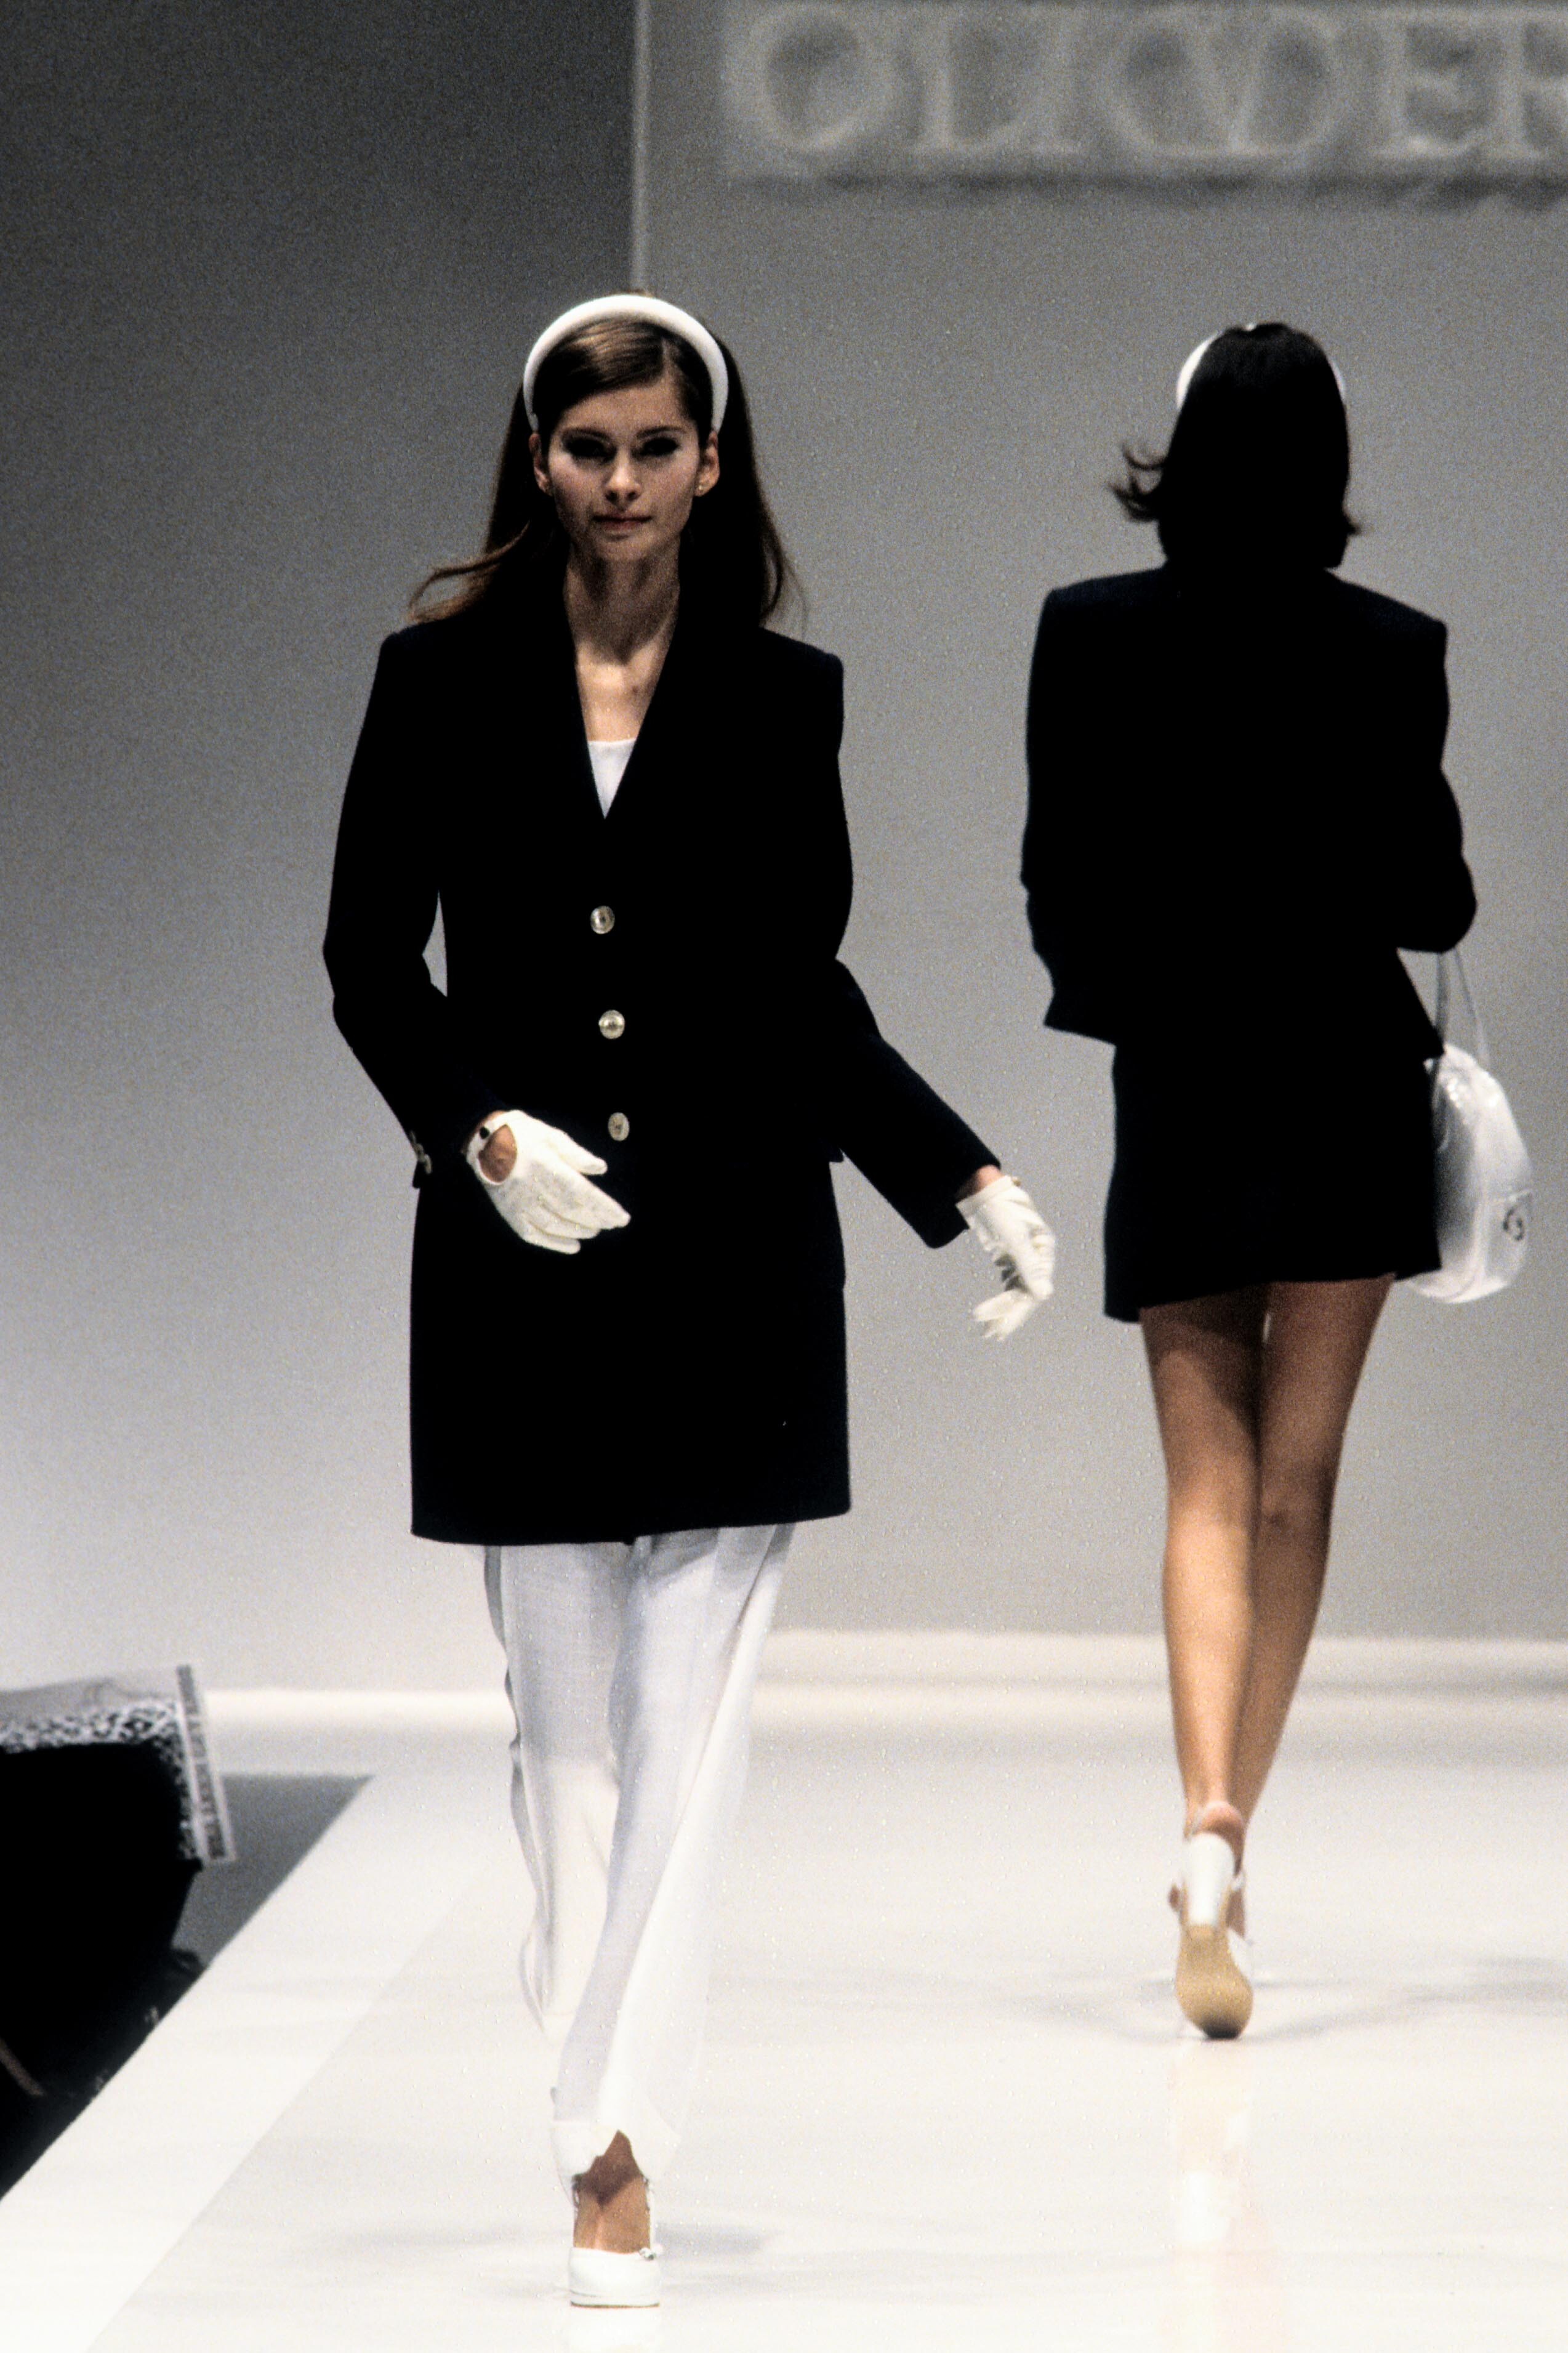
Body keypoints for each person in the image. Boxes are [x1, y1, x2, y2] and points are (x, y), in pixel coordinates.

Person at [324, 293, 1056, 2306]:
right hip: (526, 1255)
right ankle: (599, 2114)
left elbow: (797, 993)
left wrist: (959, 1174)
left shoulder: (782, 697)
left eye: (657, 446)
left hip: (738, 1249)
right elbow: (369, 962)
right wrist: (478, 1132)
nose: (623, 481)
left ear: (711, 463)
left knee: (693, 1732)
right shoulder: (433, 680)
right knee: (560, 1734)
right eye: (590, 448)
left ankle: (611, 2147)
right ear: (538, 459)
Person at [1021, 323, 1475, 2039]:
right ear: (1329, 466)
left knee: (1203, 1488)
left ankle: (1203, 1817)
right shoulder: (1392, 649)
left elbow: (1056, 877)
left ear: (1182, 452)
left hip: (1186, 1086)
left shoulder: (1089, 630)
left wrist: (1141, 996)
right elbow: (1433, 903)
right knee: (1297, 1485)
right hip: (1346, 1084)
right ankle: (1228, 1844)